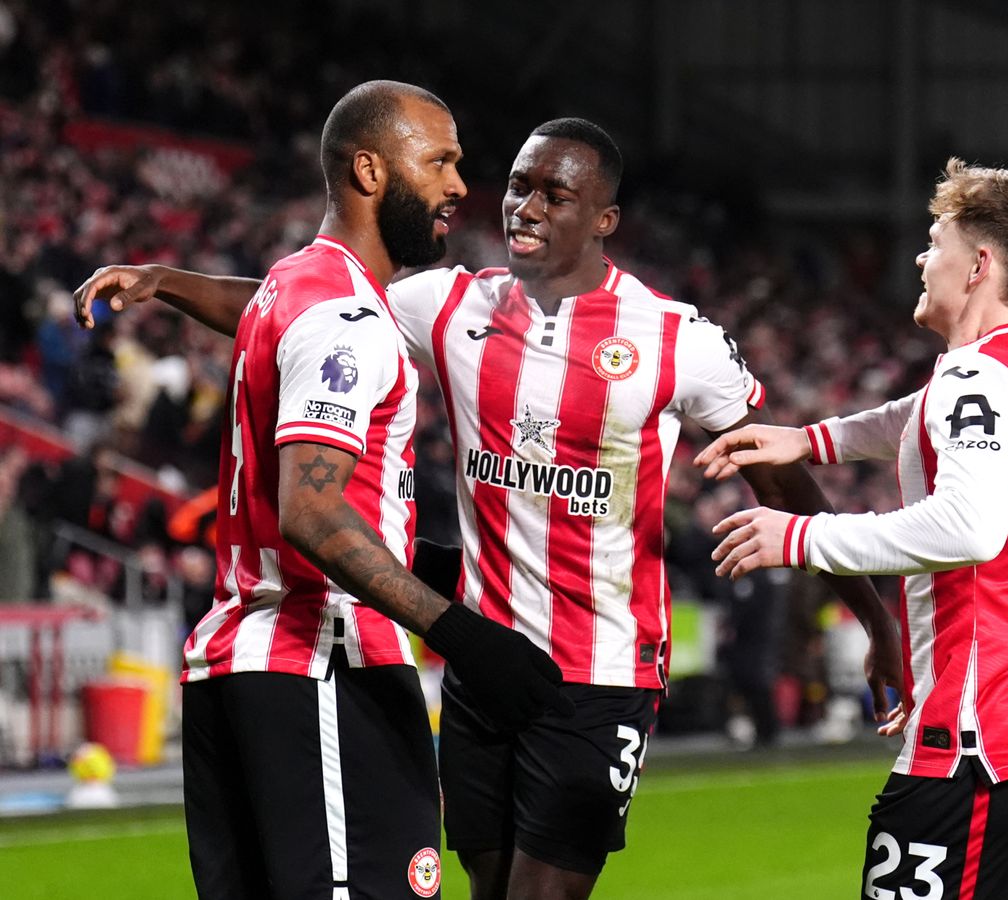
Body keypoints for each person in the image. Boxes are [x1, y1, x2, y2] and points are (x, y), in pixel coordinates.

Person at [76, 116, 901, 900]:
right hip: (483, 665)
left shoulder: (672, 337)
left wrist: (874, 620)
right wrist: (166, 284)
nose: (524, 206)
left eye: (553, 194)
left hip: (600, 676)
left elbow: (782, 478)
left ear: (605, 219)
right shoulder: (452, 303)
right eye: (517, 185)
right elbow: (303, 315)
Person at [75, 80, 569, 900]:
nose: (456, 185)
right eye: (440, 161)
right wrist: (465, 639)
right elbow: (310, 510)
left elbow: (262, 314)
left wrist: (163, 278)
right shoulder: (346, 319)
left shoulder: (297, 286)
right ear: (370, 171)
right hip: (322, 666)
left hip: (244, 666)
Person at [696, 158, 1008, 899]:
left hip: (979, 747)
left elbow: (969, 527)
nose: (923, 258)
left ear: (980, 266)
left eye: (937, 241)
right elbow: (924, 412)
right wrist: (813, 441)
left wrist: (798, 537)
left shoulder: (976, 376)